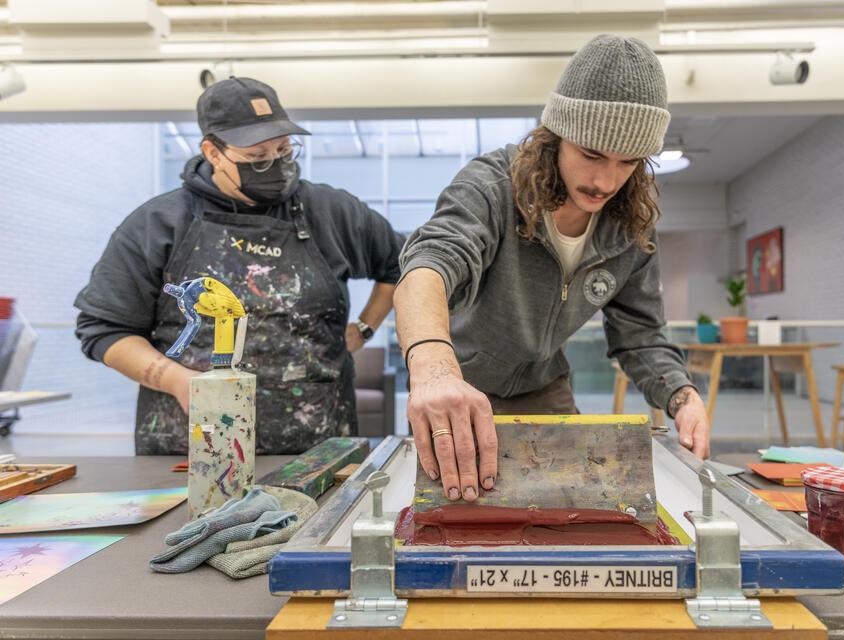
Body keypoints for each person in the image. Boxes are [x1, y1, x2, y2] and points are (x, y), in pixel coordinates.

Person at [394, 35, 710, 504]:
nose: (605, 180)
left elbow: (641, 335)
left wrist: (682, 396)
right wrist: (434, 369)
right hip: (459, 388)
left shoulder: (631, 226)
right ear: (556, 136)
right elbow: (428, 266)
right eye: (592, 154)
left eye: (627, 162)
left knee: (570, 507)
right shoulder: (492, 187)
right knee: (458, 511)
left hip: (546, 387)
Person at [75, 77, 404, 455]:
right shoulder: (158, 223)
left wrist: (364, 328)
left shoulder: (331, 211)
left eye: (283, 150)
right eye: (257, 157)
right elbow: (104, 330)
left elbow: (401, 266)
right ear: (213, 152)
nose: (275, 165)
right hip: (192, 448)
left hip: (316, 447)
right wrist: (177, 380)